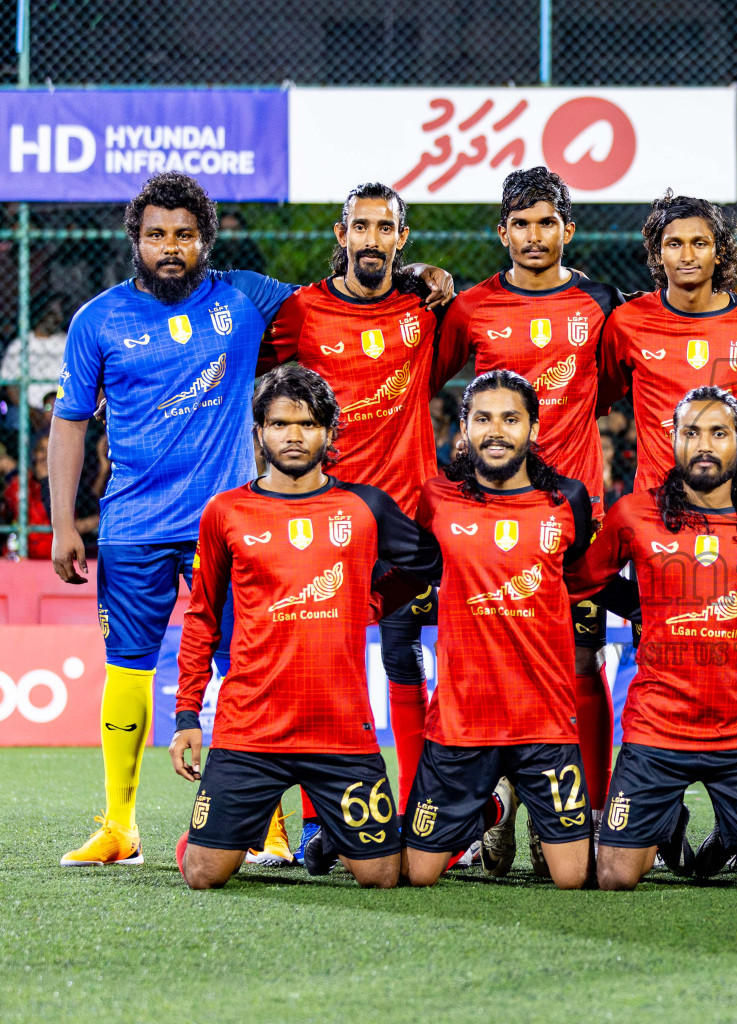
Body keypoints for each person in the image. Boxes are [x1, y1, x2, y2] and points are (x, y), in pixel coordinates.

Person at [49, 173, 298, 868]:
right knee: (125, 667)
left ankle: (266, 825)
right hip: (131, 527)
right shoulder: (98, 320)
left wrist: (418, 276)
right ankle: (119, 826)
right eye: (156, 234)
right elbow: (69, 423)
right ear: (136, 240)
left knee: (246, 672)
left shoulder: (246, 298)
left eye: (184, 236)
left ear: (205, 242)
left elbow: (341, 300)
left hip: (228, 525)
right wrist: (65, 524)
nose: (169, 247)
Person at [170, 364, 441, 889]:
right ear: (259, 433)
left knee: (383, 877)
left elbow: (428, 562)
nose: (294, 435)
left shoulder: (365, 507)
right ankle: (212, 833)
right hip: (251, 728)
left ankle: (333, 832)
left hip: (340, 730)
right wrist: (186, 714)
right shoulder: (225, 512)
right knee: (203, 874)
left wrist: (373, 602)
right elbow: (202, 616)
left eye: (309, 423)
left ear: (330, 433)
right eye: (279, 423)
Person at [262, 181, 456, 869]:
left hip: (406, 524)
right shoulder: (300, 313)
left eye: (385, 228)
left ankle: (419, 814)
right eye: (360, 226)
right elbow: (257, 383)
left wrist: (432, 279)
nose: (371, 238)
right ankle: (320, 820)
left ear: (401, 239)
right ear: (340, 233)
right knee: (323, 672)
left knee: (407, 661)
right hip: (326, 521)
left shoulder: (427, 308)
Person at [435, 167, 626, 826]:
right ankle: (496, 807)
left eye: (547, 222)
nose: (534, 235)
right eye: (521, 223)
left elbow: (611, 388)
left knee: (579, 659)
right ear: (502, 232)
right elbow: (431, 381)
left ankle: (591, 814)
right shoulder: (470, 308)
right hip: (487, 521)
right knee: (490, 661)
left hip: (576, 521)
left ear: (568, 230)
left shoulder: (602, 302)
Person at [566, 386, 737, 891]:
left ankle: (734, 832)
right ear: (670, 439)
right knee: (614, 878)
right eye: (691, 432)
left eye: (718, 433)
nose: (704, 444)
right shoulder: (634, 514)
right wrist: (642, 608)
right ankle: (670, 824)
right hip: (656, 731)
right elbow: (583, 580)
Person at [403, 371, 611, 889]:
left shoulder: (568, 500)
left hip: (544, 726)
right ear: (465, 430)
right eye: (483, 419)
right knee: (416, 874)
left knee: (574, 878)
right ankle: (492, 809)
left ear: (534, 428)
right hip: (460, 724)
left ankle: (534, 810)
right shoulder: (436, 498)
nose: (496, 431)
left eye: (510, 419)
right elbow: (419, 567)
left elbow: (585, 577)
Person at [598, 192, 737, 494]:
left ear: (718, 251)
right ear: (657, 254)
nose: (687, 256)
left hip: (730, 499)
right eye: (674, 244)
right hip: (653, 500)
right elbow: (600, 398)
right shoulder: (627, 322)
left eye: (699, 243)